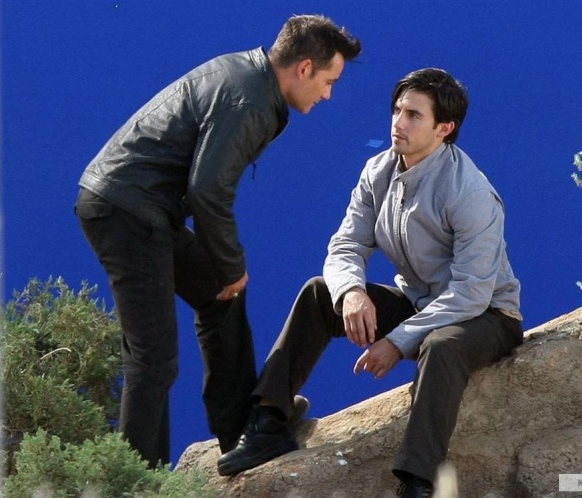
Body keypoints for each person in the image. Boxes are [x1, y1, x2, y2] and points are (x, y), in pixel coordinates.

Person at [216, 68, 523, 498]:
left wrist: (396, 340)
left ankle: (418, 481)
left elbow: (471, 292)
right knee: (319, 293)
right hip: (421, 303)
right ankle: (269, 421)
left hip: (486, 315)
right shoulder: (377, 171)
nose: (399, 122)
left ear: (444, 128)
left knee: (442, 346)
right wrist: (351, 292)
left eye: (414, 115)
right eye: (397, 110)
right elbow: (346, 245)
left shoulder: (469, 192)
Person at [74, 14, 361, 468]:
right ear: (304, 68)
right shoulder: (249, 98)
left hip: (141, 208)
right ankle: (136, 482)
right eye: (329, 82)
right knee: (154, 358)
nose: (328, 94)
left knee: (221, 293)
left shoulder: (248, 76)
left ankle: (242, 430)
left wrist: (226, 273)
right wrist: (230, 265)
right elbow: (207, 189)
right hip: (127, 211)